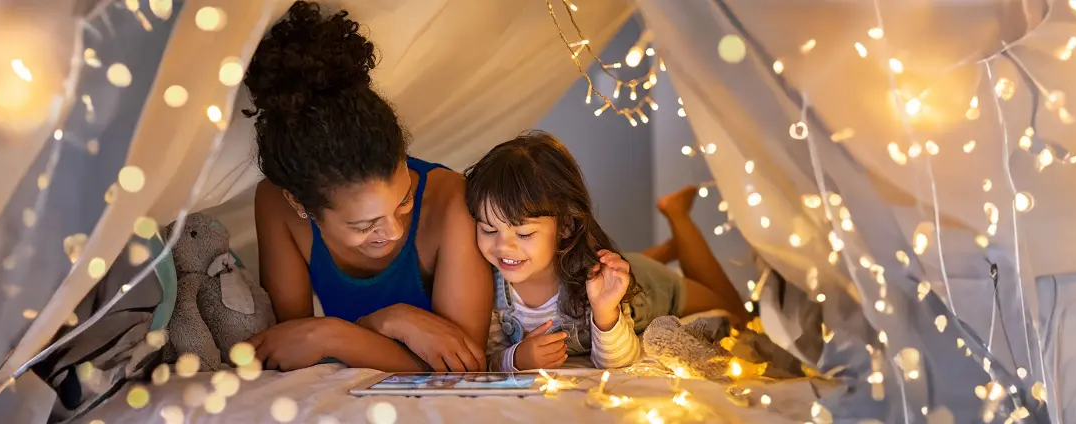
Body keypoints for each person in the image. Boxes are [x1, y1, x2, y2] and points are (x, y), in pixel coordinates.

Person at [242, 1, 493, 373]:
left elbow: (464, 368)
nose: (393, 230)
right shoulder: (275, 204)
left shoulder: (452, 199)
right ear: (302, 205)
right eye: (363, 225)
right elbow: (291, 346)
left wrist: (346, 331)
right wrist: (369, 328)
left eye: (405, 201)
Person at [466, 131, 748, 372]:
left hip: (648, 286)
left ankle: (677, 216)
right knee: (621, 263)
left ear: (565, 226)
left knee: (737, 315)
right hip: (611, 266)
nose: (503, 246)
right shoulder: (486, 287)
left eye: (524, 233)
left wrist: (604, 311)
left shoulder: (596, 282)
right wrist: (516, 359)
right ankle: (666, 249)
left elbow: (619, 360)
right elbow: (485, 359)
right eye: (488, 230)